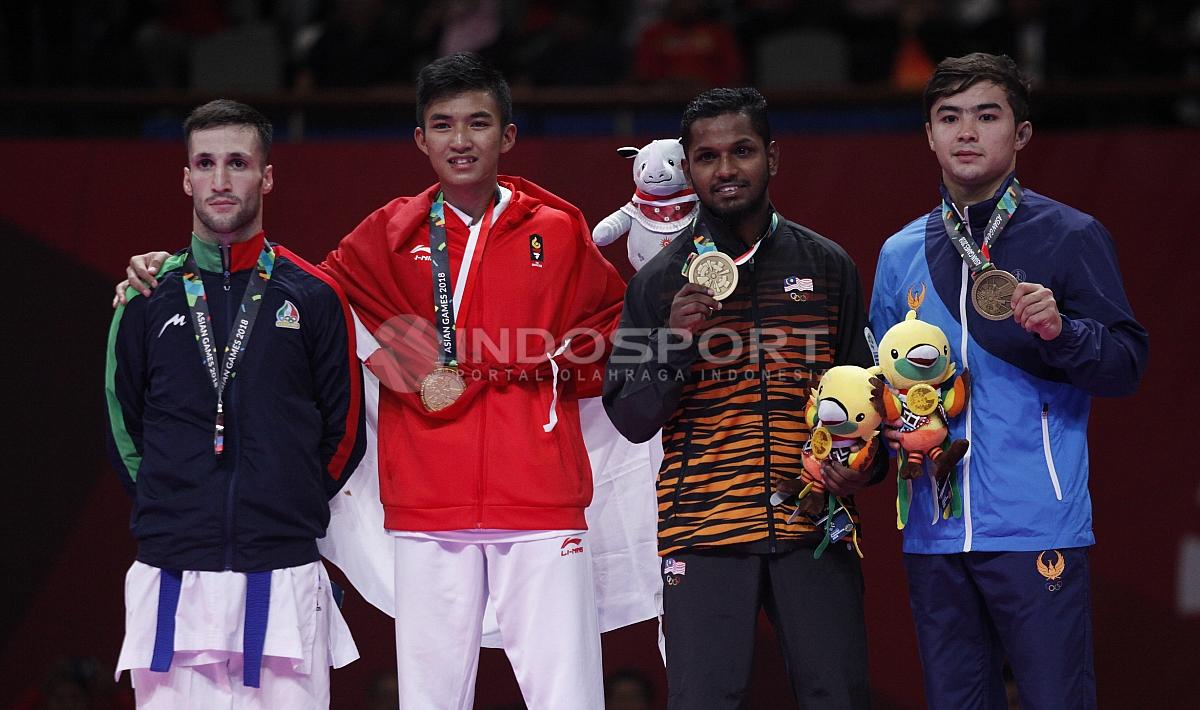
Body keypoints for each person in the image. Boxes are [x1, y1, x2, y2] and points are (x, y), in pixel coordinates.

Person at [116, 53, 629, 709]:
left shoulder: (557, 231)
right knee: (429, 700)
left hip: (540, 497)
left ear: (507, 137)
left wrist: (551, 361)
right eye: (443, 125)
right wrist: (172, 263)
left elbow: (612, 328)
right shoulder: (387, 233)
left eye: (478, 123)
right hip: (426, 506)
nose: (461, 140)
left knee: (570, 696)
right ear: (421, 140)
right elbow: (305, 298)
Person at [869, 53, 1149, 710]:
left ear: (1021, 134)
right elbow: (882, 387)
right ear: (929, 135)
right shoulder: (899, 251)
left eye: (986, 116)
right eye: (949, 117)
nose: (967, 132)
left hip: (1035, 523)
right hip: (935, 529)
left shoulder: (1070, 236)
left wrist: (1062, 332)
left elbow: (1126, 366)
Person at [604, 87, 883, 709]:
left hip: (813, 524)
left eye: (742, 151)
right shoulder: (656, 282)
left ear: (773, 158)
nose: (725, 169)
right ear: (688, 167)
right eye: (707, 157)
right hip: (702, 532)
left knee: (838, 696)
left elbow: (865, 402)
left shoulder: (830, 266)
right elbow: (629, 416)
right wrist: (674, 342)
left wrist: (860, 464)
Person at [104, 99, 365, 708]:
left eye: (239, 163)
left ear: (266, 176)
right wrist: (173, 501)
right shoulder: (144, 299)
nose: (221, 181)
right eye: (206, 163)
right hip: (175, 569)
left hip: (283, 567)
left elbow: (345, 427)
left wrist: (286, 499)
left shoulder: (316, 296)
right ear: (186, 177)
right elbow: (123, 427)